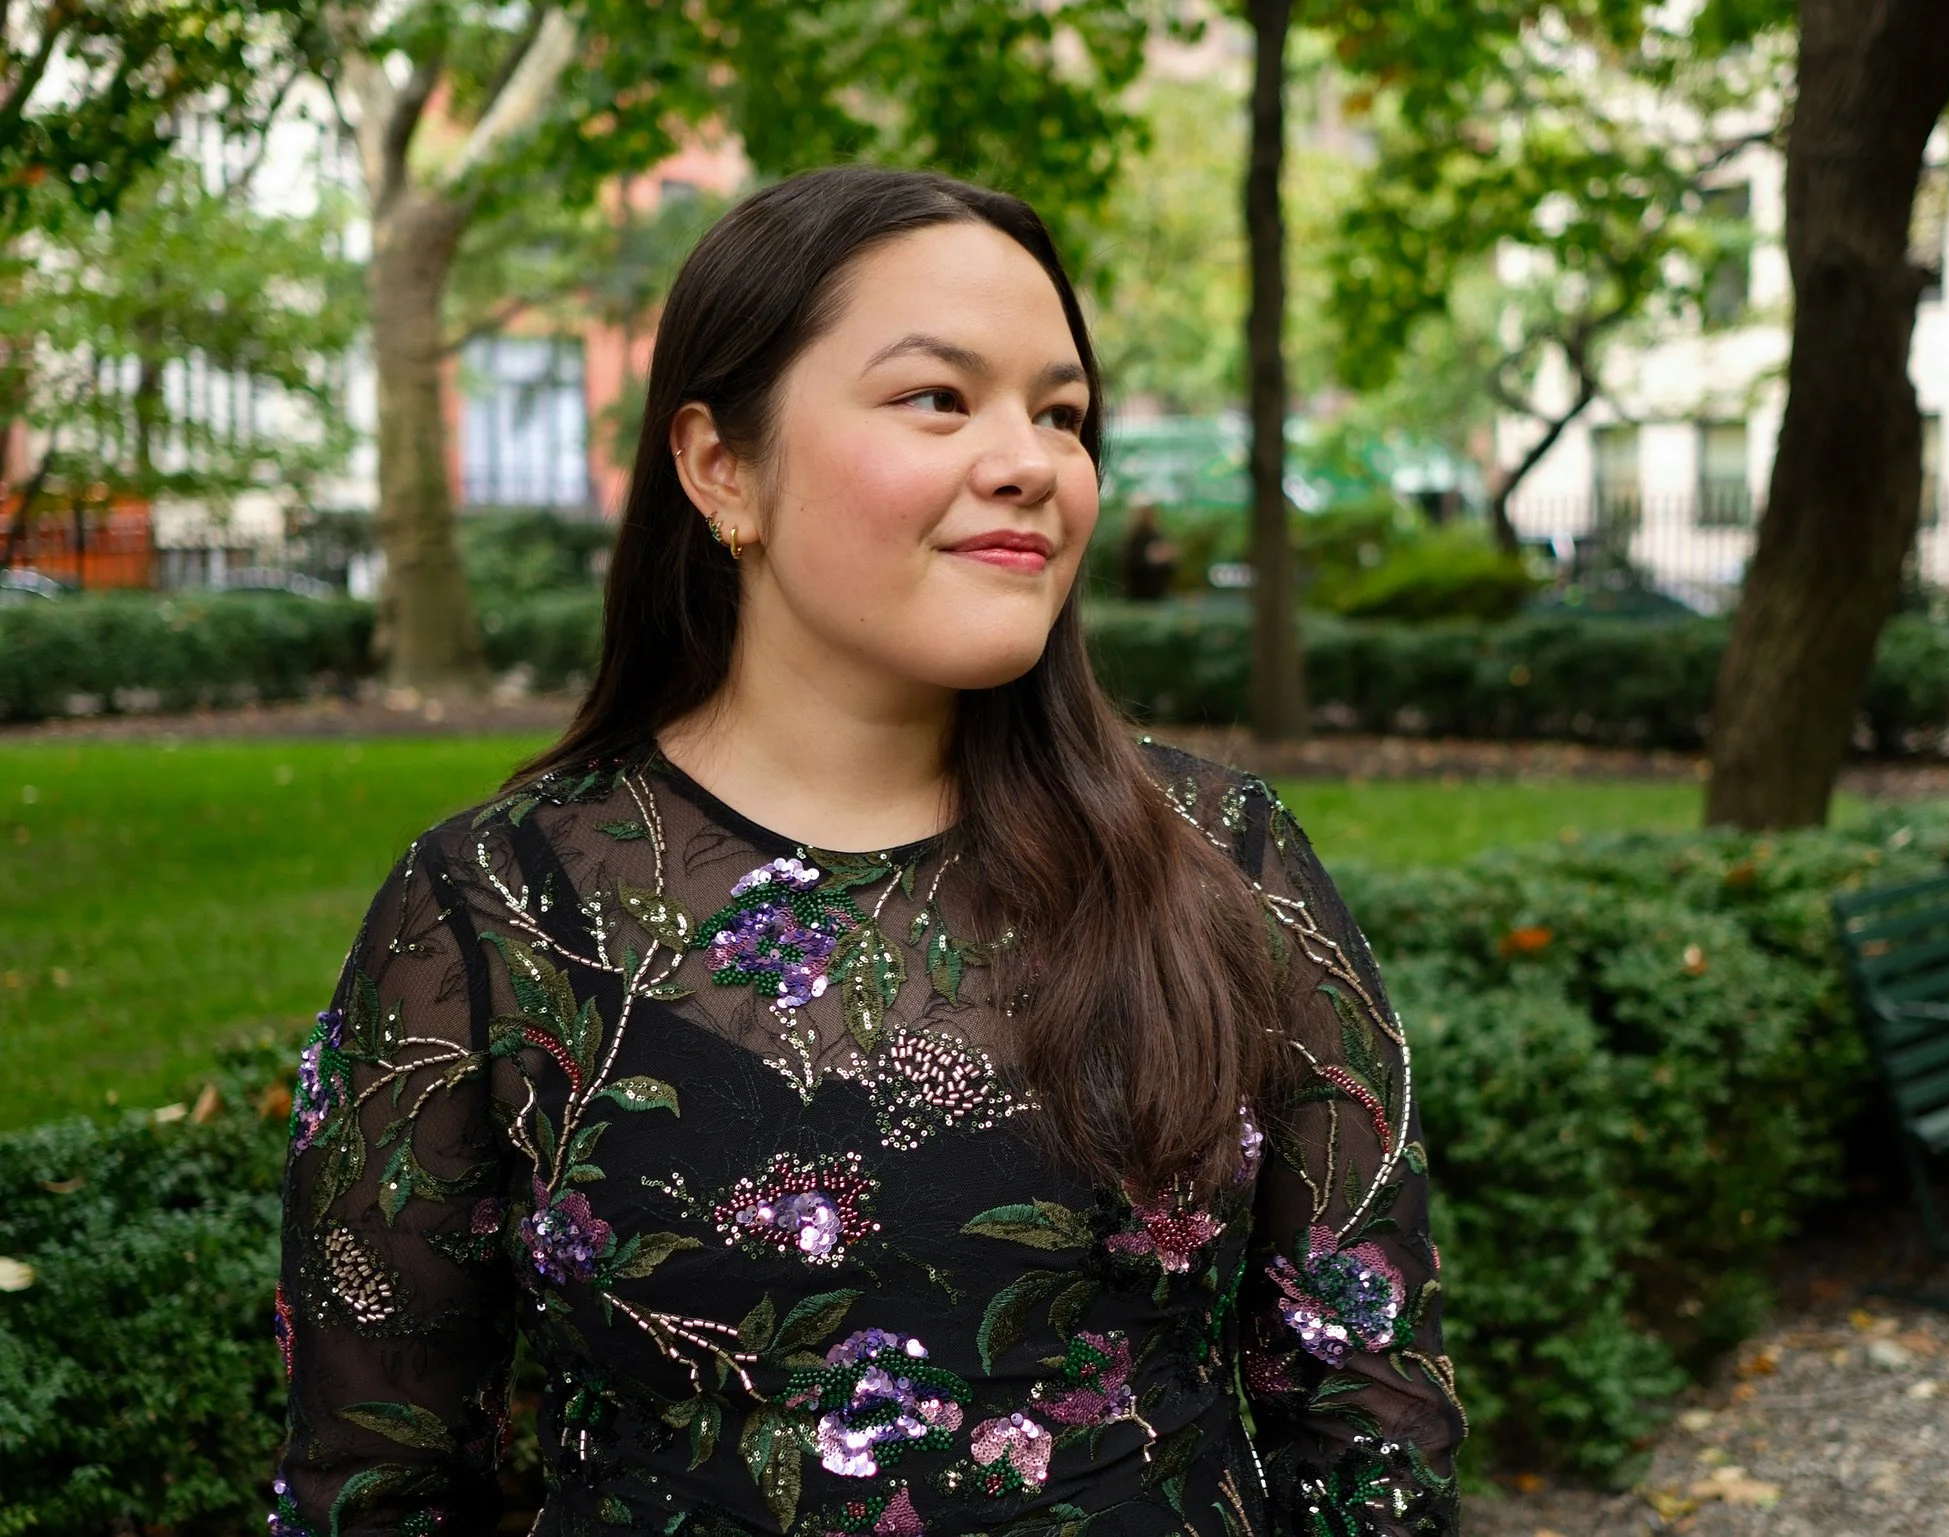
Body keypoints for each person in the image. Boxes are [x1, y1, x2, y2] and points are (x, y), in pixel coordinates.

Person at [273, 166, 1461, 1537]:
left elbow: (1371, 1435)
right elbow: (376, 1482)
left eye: (1061, 413)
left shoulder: (1221, 863)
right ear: (722, 467)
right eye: (937, 398)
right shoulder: (498, 912)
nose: (1029, 459)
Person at [1115, 494, 1177, 602]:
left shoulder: (1157, 536)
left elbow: (1168, 563)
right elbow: (1129, 564)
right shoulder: (1134, 538)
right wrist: (1150, 558)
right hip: (1136, 592)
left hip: (1156, 592)